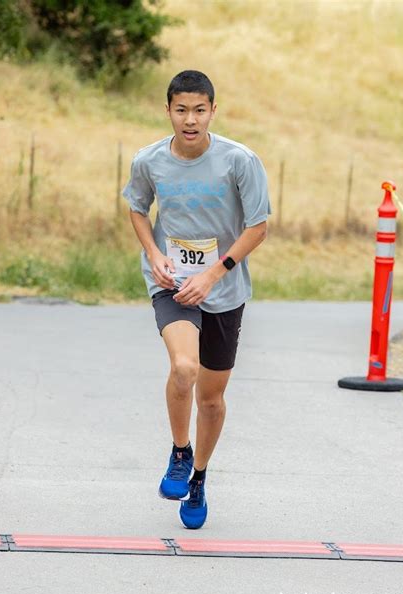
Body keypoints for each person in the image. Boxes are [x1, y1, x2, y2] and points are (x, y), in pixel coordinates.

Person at [123, 70, 271, 529]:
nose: (190, 119)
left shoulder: (239, 160)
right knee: (184, 367)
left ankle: (200, 478)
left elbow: (258, 226)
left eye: (199, 110)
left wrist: (214, 273)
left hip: (223, 287)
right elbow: (137, 208)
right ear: (168, 110)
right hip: (171, 283)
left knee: (211, 397)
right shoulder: (149, 160)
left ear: (213, 111)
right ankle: (180, 452)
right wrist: (152, 253)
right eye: (181, 109)